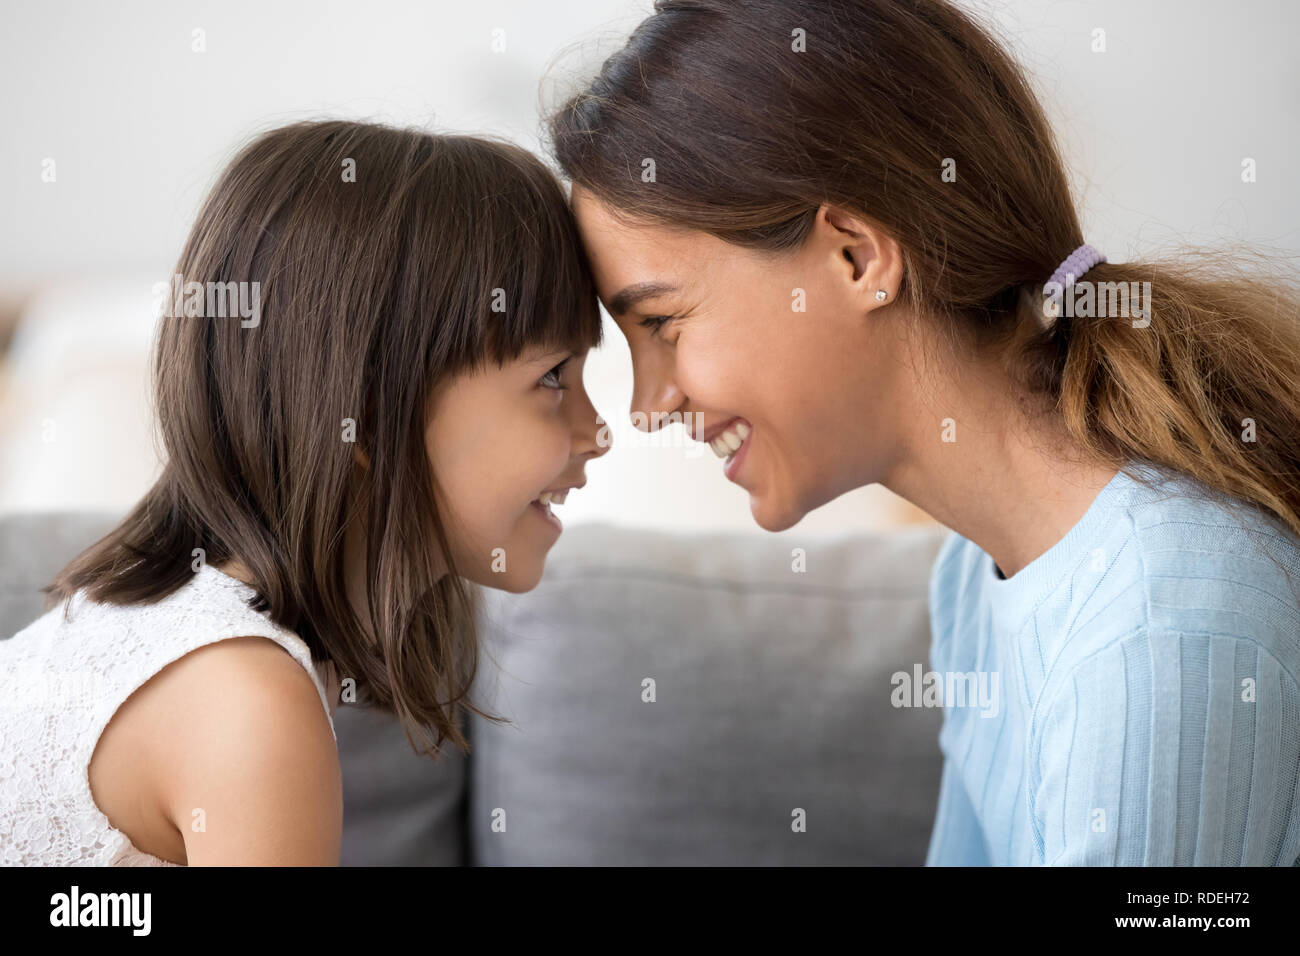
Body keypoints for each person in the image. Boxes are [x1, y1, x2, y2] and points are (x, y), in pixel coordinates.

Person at [548, 0, 1300, 865]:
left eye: (664, 324)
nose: (649, 405)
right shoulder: (975, 578)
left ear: (857, 258)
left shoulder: (1160, 630)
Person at [0, 120, 609, 865]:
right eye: (552, 378)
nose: (596, 431)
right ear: (369, 412)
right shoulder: (242, 700)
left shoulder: (169, 629)